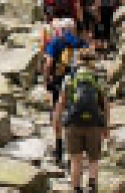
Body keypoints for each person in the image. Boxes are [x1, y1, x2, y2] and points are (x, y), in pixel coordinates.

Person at [53, 52, 110, 193]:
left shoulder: (70, 78)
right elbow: (106, 105)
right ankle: (91, 187)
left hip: (73, 123)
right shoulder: (98, 79)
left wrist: (57, 122)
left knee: (75, 161)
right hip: (94, 124)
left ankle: (76, 188)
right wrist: (106, 126)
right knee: (93, 160)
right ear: (93, 62)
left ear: (77, 61)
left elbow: (61, 103)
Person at [43, 17, 88, 166]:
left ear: (61, 29)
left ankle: (59, 148)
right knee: (73, 113)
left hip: (59, 81)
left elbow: (49, 63)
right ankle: (74, 150)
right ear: (73, 29)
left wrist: (47, 79)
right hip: (78, 82)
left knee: (57, 112)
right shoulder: (80, 42)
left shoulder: (56, 42)